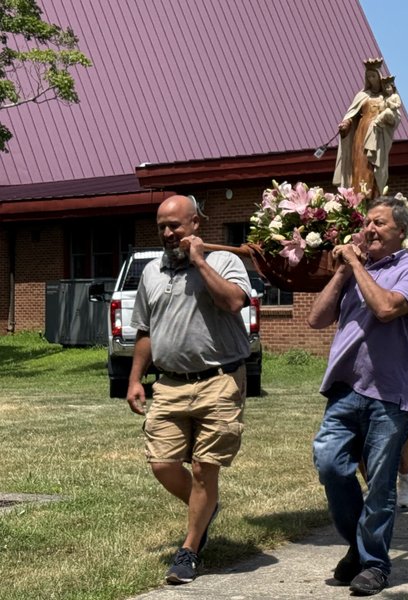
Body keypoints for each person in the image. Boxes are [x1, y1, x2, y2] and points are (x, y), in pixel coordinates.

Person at [308, 195, 408, 596]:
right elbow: (315, 319)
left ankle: (375, 565)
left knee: (380, 483)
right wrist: (343, 272)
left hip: (391, 395)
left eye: (379, 223)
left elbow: (383, 308)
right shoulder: (354, 272)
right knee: (330, 463)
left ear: (401, 231)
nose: (369, 229)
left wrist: (357, 265)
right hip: (346, 388)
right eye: (368, 222)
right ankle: (360, 548)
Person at [127, 195, 252, 584]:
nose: (168, 233)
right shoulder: (151, 272)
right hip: (169, 383)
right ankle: (206, 507)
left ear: (196, 223)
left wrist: (199, 261)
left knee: (202, 468)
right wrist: (135, 378)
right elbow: (146, 330)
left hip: (219, 380)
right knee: (162, 464)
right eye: (162, 226)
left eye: (175, 226)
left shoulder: (225, 261)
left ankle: (189, 550)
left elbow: (234, 302)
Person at [333, 58, 400, 198]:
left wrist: (387, 119)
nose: (371, 79)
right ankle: (358, 198)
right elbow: (352, 115)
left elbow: (395, 116)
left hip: (377, 135)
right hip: (361, 135)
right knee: (360, 165)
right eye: (368, 76)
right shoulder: (362, 96)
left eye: (373, 76)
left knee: (373, 167)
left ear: (379, 77)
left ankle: (373, 197)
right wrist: (346, 124)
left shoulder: (385, 97)